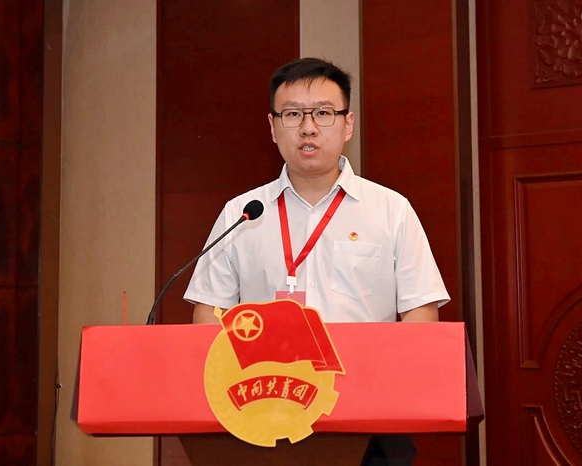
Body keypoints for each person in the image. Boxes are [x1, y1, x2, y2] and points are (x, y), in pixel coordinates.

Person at [184, 57, 450, 465]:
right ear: (273, 127)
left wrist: (391, 388)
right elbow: (208, 312)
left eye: (324, 113)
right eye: (292, 114)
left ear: (348, 124)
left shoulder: (391, 210)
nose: (308, 128)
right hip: (261, 412)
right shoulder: (242, 213)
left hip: (370, 419)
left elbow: (421, 312)